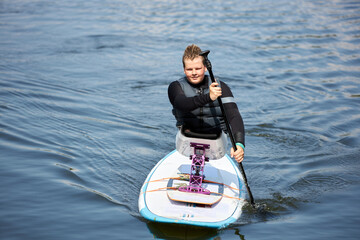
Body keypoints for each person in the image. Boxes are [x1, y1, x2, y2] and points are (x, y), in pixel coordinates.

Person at [168, 44, 245, 163]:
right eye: (189, 69)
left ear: (205, 68)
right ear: (184, 70)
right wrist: (209, 97)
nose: (194, 73)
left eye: (198, 68)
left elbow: (233, 115)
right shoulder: (176, 87)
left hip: (217, 143)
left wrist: (239, 144)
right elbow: (181, 104)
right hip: (186, 141)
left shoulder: (220, 86)